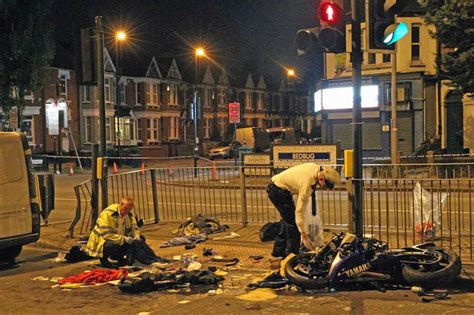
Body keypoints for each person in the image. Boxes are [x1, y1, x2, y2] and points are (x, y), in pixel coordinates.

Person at [266, 163, 341, 258]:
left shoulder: (315, 168)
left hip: (277, 188)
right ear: (322, 179)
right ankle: (292, 255)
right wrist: (304, 235)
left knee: (287, 221)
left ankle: (278, 251)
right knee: (293, 225)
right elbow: (299, 211)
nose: (323, 188)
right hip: (278, 191)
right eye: (325, 186)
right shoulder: (308, 182)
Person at [85, 196, 140, 268]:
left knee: (138, 241)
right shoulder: (108, 213)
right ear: (121, 204)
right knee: (113, 244)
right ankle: (104, 259)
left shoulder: (129, 214)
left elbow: (134, 227)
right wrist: (124, 239)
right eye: (126, 208)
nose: (127, 211)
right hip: (102, 240)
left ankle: (119, 257)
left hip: (119, 237)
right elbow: (106, 234)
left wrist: (136, 235)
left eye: (130, 209)